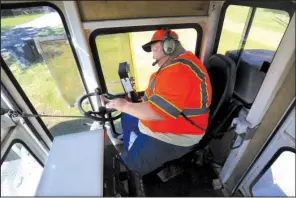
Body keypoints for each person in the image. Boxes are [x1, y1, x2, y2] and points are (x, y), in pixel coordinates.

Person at [106, 29, 212, 175]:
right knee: (127, 117)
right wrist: (131, 105)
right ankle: (134, 147)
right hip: (164, 124)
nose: (153, 55)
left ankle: (133, 167)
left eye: (155, 49)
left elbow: (156, 112)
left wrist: (123, 105)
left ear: (170, 47)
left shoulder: (179, 71)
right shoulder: (177, 64)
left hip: (176, 135)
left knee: (130, 168)